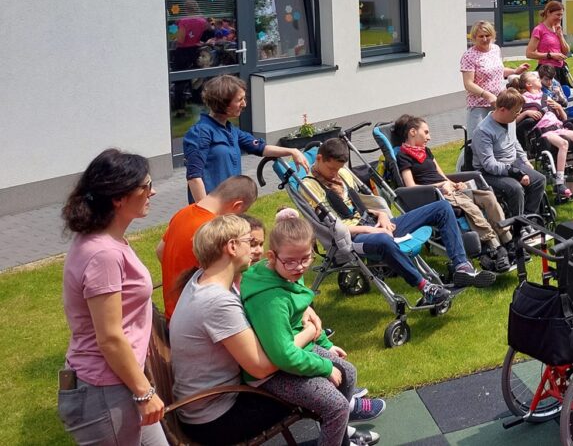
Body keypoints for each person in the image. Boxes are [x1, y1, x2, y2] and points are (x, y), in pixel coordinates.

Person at [168, 214, 385, 446]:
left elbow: (273, 302)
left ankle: (340, 436)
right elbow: (263, 367)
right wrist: (310, 332)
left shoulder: (207, 280)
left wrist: (302, 310)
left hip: (216, 399)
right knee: (334, 403)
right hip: (217, 418)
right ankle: (339, 431)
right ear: (232, 247)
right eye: (249, 242)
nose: (256, 250)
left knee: (344, 375)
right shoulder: (217, 301)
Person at [240, 210, 379, 446]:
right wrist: (324, 367)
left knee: (348, 372)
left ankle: (340, 437)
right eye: (291, 261)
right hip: (272, 373)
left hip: (293, 350)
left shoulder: (287, 272)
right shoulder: (271, 300)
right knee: (336, 406)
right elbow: (283, 355)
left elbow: (301, 316)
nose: (300, 267)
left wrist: (326, 344)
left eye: (306, 259)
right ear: (272, 257)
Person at [58, 149, 167, 446]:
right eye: (146, 186)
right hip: (106, 391)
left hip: (118, 382)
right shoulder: (103, 254)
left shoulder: (106, 240)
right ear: (119, 197)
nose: (153, 192)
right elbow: (109, 337)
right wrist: (144, 392)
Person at [311, 137, 495, 295]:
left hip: (376, 224)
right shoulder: (310, 187)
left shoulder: (343, 174)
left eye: (338, 169)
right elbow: (332, 226)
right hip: (354, 237)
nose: (335, 173)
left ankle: (462, 267)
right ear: (319, 159)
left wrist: (382, 215)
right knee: (384, 240)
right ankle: (426, 288)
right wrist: (372, 230)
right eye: (331, 169)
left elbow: (361, 204)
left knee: (442, 208)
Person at [390, 114, 513, 271]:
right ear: (413, 132)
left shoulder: (426, 151)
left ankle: (507, 240)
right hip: (434, 195)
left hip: (449, 189)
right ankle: (494, 246)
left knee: (488, 197)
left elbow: (442, 175)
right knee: (471, 208)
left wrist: (455, 184)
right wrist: (441, 185)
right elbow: (411, 186)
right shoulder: (403, 156)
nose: (429, 137)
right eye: (426, 132)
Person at [182, 74, 309, 203]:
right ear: (223, 103)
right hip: (212, 207)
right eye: (240, 100)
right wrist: (204, 211)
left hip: (230, 204)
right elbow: (194, 177)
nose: (244, 104)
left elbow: (260, 148)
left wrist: (293, 151)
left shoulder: (231, 130)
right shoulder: (200, 132)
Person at [157, 174, 258, 320]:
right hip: (200, 315)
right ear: (237, 205)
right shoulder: (215, 231)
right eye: (242, 213)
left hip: (174, 314)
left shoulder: (182, 213)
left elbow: (160, 251)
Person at [470, 88, 547, 221]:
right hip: (488, 173)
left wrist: (524, 160)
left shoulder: (510, 121)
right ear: (502, 109)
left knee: (539, 180)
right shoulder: (483, 131)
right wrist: (516, 173)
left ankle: (529, 219)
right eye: (516, 112)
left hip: (512, 164)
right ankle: (518, 224)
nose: (518, 115)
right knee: (515, 188)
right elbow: (489, 165)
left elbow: (514, 142)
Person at [518, 70, 573, 199]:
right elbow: (513, 120)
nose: (539, 79)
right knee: (563, 143)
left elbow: (564, 118)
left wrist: (559, 108)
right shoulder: (522, 99)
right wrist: (526, 113)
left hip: (558, 127)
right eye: (535, 77)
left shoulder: (545, 96)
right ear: (528, 84)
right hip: (543, 131)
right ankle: (559, 183)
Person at [461, 21, 530, 132]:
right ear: (474, 37)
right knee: (479, 137)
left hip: (500, 102)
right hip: (479, 104)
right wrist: (488, 95)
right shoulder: (469, 56)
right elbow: (468, 84)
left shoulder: (495, 49)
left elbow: (498, 71)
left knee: (503, 135)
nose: (485, 39)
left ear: (492, 35)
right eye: (481, 36)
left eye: (487, 35)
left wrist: (515, 71)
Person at [526, 1, 572, 87]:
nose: (560, 18)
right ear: (548, 13)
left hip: (560, 70)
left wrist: (560, 36)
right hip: (547, 71)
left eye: (561, 15)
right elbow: (529, 53)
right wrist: (551, 55)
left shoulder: (557, 29)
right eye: (557, 15)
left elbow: (566, 52)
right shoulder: (539, 30)